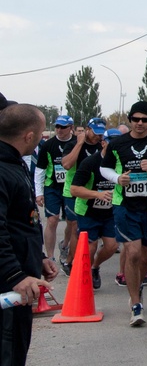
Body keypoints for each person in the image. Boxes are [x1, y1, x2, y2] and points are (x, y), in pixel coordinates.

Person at [99, 100, 147, 326]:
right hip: (125, 205)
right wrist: (117, 179)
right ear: (130, 120)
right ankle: (135, 302)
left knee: (146, 256)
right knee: (132, 252)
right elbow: (105, 167)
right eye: (136, 119)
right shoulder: (118, 143)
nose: (140, 123)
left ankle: (137, 287)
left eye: (145, 120)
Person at [0, 104, 58, 366]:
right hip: (10, 285)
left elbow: (24, 221)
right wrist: (15, 275)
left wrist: (39, 258)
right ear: (28, 136)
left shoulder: (15, 162)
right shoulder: (3, 168)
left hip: (23, 280)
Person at [68, 127, 118, 291]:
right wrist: (97, 194)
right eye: (111, 145)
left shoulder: (120, 164)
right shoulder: (90, 162)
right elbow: (74, 189)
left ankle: (95, 267)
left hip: (109, 213)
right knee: (91, 246)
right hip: (87, 211)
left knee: (111, 246)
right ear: (103, 143)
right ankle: (83, 279)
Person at [34, 114, 76, 269]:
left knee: (72, 222)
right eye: (57, 126)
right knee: (52, 220)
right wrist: (38, 193)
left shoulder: (76, 143)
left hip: (71, 187)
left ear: (71, 128)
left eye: (63, 127)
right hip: (52, 186)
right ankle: (50, 256)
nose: (59, 130)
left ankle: (65, 245)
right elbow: (40, 170)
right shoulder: (48, 145)